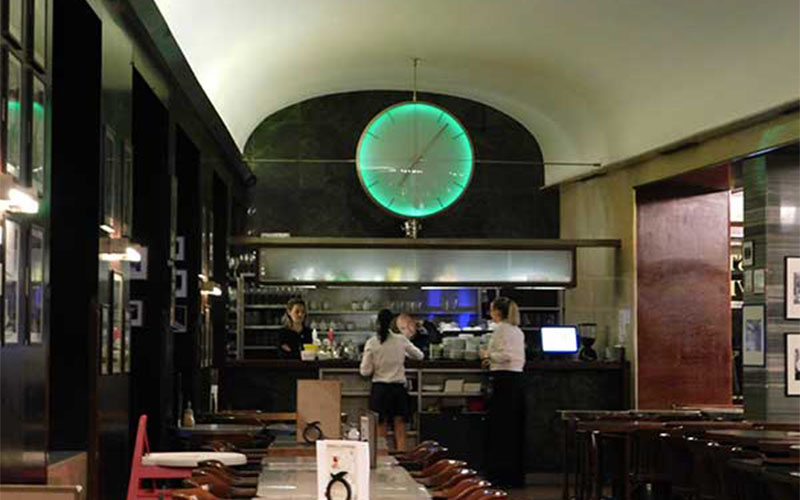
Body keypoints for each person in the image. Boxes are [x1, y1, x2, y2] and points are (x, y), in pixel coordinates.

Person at [360, 309, 423, 451]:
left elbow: (365, 371)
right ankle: (402, 458)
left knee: (380, 428)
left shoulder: (372, 342)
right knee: (400, 427)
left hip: (380, 389)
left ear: (377, 323)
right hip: (398, 389)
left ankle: (382, 458)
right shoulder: (401, 340)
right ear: (393, 323)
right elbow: (419, 355)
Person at [480, 296, 526, 488]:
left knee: (500, 430)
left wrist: (487, 355)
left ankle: (499, 475)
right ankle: (514, 476)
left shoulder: (501, 329)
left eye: (491, 309)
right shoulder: (517, 331)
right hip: (516, 381)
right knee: (513, 430)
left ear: (498, 312)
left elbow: (506, 355)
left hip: (503, 381)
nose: (490, 313)